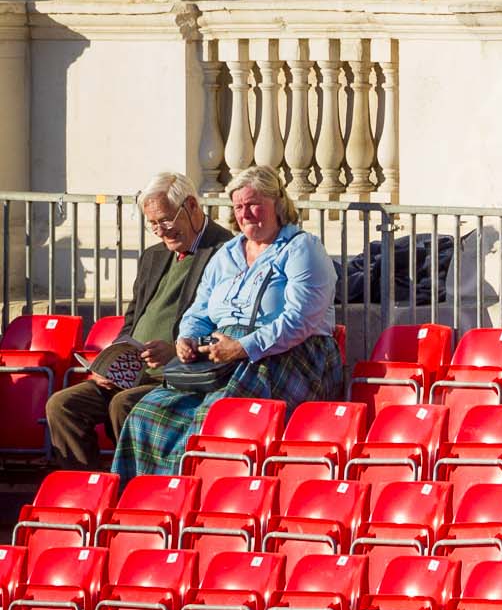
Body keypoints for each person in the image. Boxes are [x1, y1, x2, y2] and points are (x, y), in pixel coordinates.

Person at [113, 165, 343, 480]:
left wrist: (242, 347)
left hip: (288, 355)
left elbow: (299, 320)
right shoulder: (227, 254)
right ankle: (146, 501)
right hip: (221, 357)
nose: (245, 213)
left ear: (276, 203)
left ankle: (195, 496)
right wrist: (188, 337)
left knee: (215, 414)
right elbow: (200, 310)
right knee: (146, 413)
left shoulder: (302, 248)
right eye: (238, 206)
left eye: (253, 204)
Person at [45, 173, 233, 469]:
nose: (160, 231)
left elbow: (227, 329)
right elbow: (132, 321)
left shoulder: (226, 252)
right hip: (133, 373)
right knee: (62, 404)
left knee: (125, 404)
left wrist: (176, 350)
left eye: (166, 220)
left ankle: (131, 488)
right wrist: (111, 365)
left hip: (179, 376)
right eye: (153, 223)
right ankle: (91, 490)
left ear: (192, 206)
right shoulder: (154, 256)